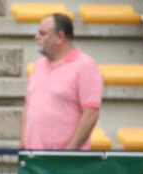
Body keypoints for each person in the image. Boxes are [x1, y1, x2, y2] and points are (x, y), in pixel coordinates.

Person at [21, 13, 102, 150]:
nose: (37, 37)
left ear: (59, 37)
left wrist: (68, 153)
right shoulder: (39, 65)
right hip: (34, 160)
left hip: (65, 163)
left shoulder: (85, 65)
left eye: (43, 33)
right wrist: (23, 147)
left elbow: (91, 114)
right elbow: (28, 109)